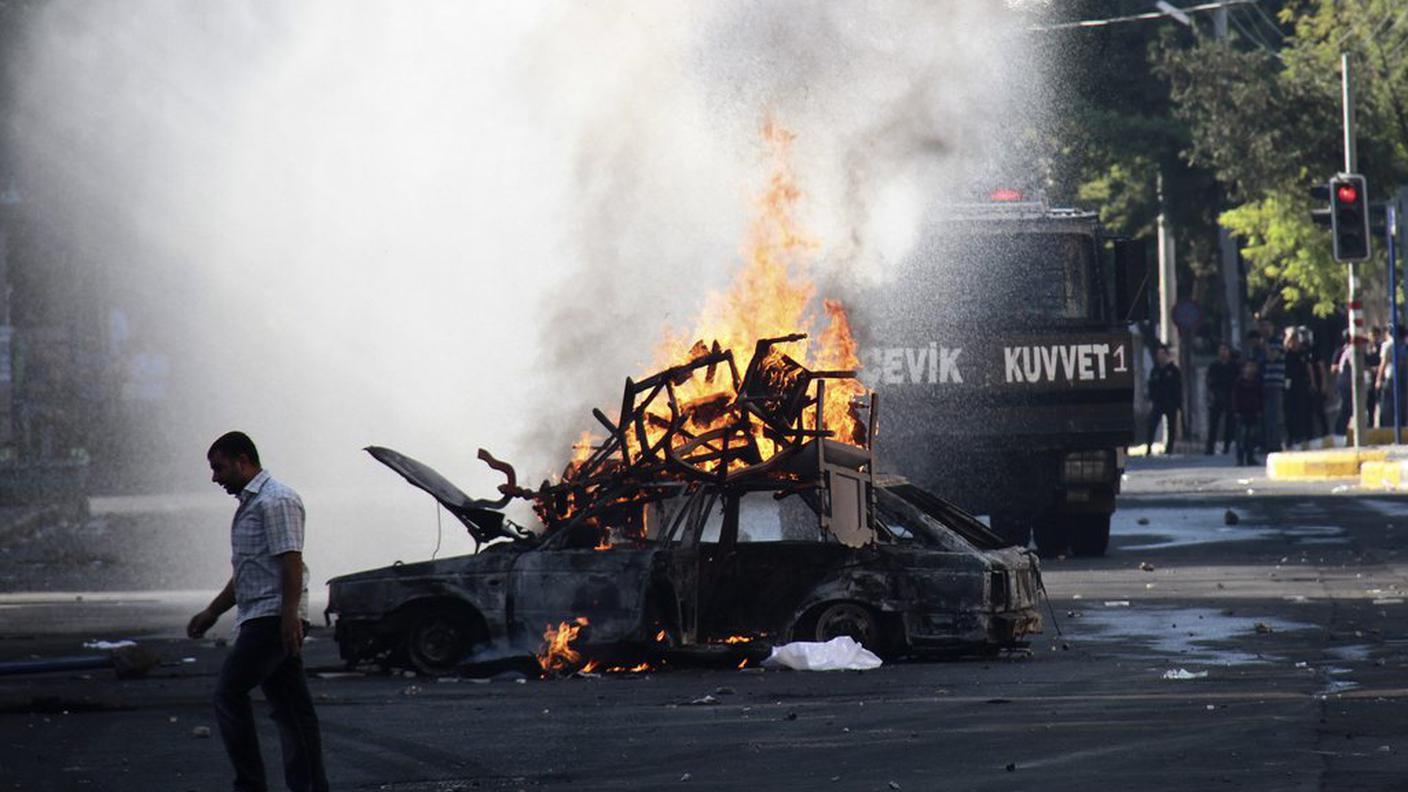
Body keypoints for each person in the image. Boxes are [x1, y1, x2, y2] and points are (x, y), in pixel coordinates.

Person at [187, 431, 329, 792]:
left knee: (229, 694)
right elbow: (249, 573)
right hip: (265, 616)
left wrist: (288, 617)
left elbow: (290, 562)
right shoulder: (253, 504)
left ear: (243, 461)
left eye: (219, 468)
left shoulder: (276, 500)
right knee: (292, 711)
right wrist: (211, 612)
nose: (215, 478)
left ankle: (250, 785)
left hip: (271, 620)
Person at [1145, 345, 1182, 455]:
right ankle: (1148, 447)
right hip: (1158, 402)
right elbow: (1151, 385)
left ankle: (1169, 448)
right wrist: (1151, 399)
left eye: (1162, 354)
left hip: (1170, 402)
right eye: (1158, 354)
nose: (1160, 356)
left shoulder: (1173, 370)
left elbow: (1178, 387)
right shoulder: (1155, 370)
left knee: (1171, 427)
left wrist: (1178, 403)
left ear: (1167, 355)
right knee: (1152, 424)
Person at [1205, 342, 1237, 455]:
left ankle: (1227, 447)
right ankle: (1209, 448)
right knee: (1213, 424)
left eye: (1225, 350)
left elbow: (1236, 381)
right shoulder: (1214, 366)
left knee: (1230, 424)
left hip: (1230, 396)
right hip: (1217, 396)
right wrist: (1213, 393)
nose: (1223, 352)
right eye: (1221, 350)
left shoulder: (1233, 365)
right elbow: (1209, 381)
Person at [1283, 327, 1312, 449]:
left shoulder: (1303, 353)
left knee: (1302, 411)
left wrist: (1312, 383)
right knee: (1289, 412)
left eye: (1296, 339)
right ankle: (1291, 436)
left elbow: (1309, 368)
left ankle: (1302, 436)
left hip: (1301, 384)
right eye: (1292, 340)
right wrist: (1289, 335)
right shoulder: (1287, 353)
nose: (1295, 343)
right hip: (1289, 386)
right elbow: (1284, 347)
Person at [1261, 325, 1286, 452]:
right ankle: (1268, 443)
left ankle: (1276, 444)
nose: (1265, 330)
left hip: (1276, 383)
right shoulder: (1267, 343)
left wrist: (1265, 345)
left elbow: (1272, 357)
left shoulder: (1277, 342)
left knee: (1275, 416)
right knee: (1268, 416)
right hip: (1266, 383)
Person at [1377, 325, 1408, 428]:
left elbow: (1383, 363)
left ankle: (1387, 426)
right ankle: (1402, 424)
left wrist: (1378, 379)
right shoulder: (1405, 346)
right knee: (1403, 404)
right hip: (1404, 377)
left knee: (1388, 404)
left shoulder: (1388, 345)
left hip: (1391, 377)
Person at [1234, 360, 1263, 466]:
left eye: (1253, 366)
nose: (1251, 369)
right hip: (1242, 413)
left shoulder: (1257, 382)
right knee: (1241, 437)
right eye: (1248, 366)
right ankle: (1240, 458)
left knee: (1251, 437)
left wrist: (1260, 410)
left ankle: (1250, 458)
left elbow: (1260, 397)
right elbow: (1235, 398)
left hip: (1253, 412)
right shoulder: (1239, 382)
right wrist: (1236, 411)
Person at [1365, 326, 1383, 426]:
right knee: (1370, 403)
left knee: (1380, 401)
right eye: (1372, 335)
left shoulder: (1381, 347)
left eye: (1376, 335)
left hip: (1379, 377)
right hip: (1369, 378)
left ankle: (1381, 423)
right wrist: (1369, 369)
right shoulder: (1366, 348)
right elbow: (1363, 362)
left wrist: (1378, 368)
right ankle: (1370, 423)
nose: (1374, 338)